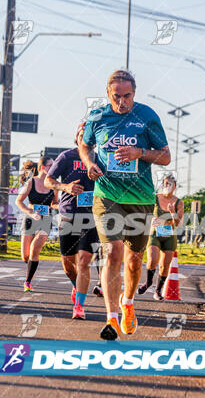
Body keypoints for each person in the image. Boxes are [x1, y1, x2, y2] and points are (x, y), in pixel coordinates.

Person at [79, 69, 171, 340]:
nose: (122, 102)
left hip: (140, 199)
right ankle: (112, 320)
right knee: (113, 251)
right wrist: (89, 164)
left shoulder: (147, 116)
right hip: (107, 196)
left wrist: (139, 152)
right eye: (117, 96)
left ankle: (128, 303)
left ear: (135, 93)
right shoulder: (97, 118)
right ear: (108, 94)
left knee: (134, 261)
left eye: (127, 96)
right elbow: (84, 146)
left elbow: (166, 157)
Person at [45, 124, 101, 319]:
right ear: (76, 136)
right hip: (69, 215)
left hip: (92, 217)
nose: (85, 137)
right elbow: (48, 180)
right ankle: (77, 287)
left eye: (90, 134)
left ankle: (79, 306)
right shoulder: (66, 157)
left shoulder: (101, 158)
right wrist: (65, 187)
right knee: (69, 266)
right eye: (82, 133)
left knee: (85, 261)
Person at [137, 174, 184, 300]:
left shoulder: (179, 202)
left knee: (164, 266)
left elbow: (178, 223)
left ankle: (158, 291)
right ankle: (148, 282)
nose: (166, 186)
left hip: (169, 236)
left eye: (169, 184)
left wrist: (172, 212)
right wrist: (149, 219)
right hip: (155, 234)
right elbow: (143, 211)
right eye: (164, 184)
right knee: (152, 260)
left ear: (174, 186)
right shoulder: (155, 198)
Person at [15, 157, 58, 292]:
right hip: (30, 219)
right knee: (26, 256)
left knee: (35, 249)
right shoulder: (31, 182)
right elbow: (19, 201)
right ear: (43, 167)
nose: (54, 167)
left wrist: (61, 206)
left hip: (45, 220)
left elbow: (54, 202)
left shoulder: (53, 184)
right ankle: (30, 268)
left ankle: (27, 282)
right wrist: (31, 212)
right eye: (51, 165)